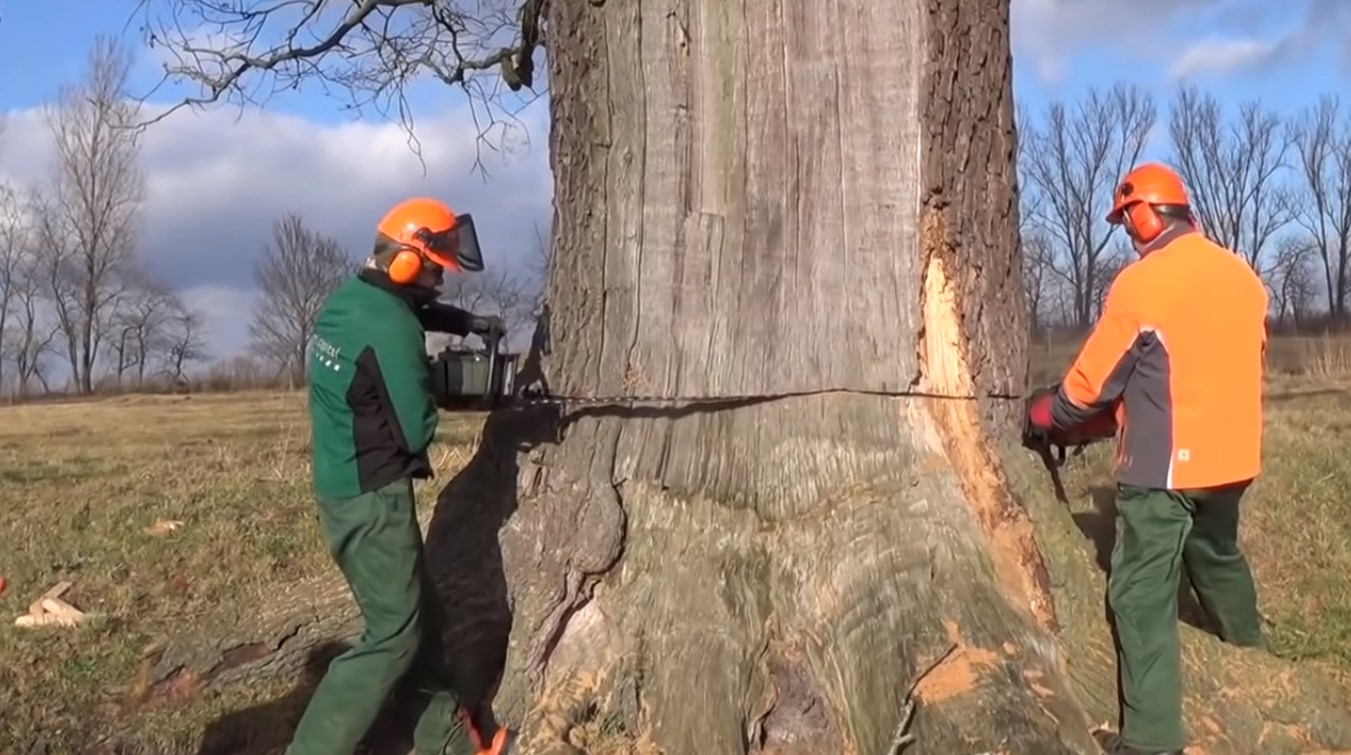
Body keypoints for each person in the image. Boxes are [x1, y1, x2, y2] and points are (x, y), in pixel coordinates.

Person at [1025, 163, 1268, 755]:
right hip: (1233, 459)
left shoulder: (1142, 283)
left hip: (1166, 471)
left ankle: (1152, 742)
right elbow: (1193, 373)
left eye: (1127, 220)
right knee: (1217, 558)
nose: (1128, 234)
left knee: (1138, 591)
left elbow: (1091, 386)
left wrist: (1047, 416)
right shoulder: (1242, 276)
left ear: (1145, 213)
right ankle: (1256, 664)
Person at [289, 197, 513, 755]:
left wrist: (464, 323)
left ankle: (449, 743)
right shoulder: (391, 326)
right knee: (392, 636)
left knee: (418, 619)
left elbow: (406, 311)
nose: (439, 284)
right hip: (372, 501)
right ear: (408, 262)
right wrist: (443, 382)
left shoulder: (353, 299)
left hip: (345, 489)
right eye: (435, 271)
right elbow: (414, 431)